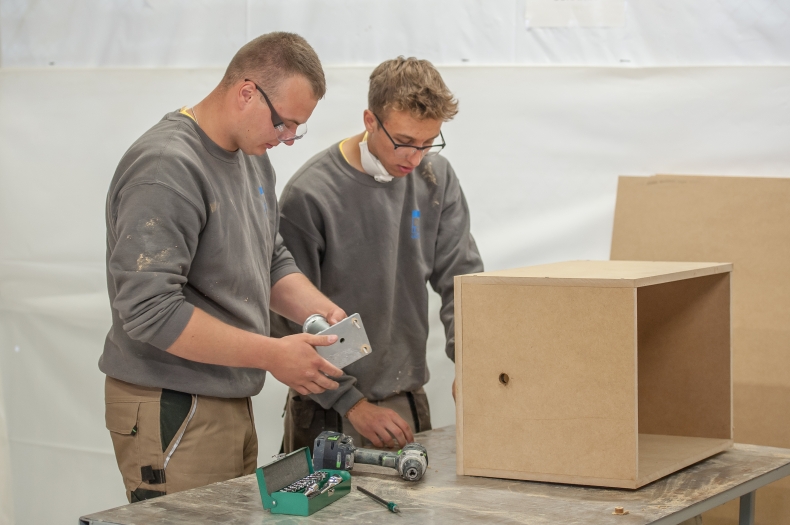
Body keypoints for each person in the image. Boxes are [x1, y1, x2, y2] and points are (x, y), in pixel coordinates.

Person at [100, 32, 348, 503]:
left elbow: (268, 256)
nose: (289, 140)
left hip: (227, 395)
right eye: (284, 124)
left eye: (298, 129)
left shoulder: (252, 159)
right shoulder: (166, 167)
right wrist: (273, 354)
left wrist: (320, 310)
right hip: (172, 403)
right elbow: (149, 309)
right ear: (247, 92)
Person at [275, 57, 484, 453]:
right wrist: (352, 405)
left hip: (407, 397)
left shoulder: (435, 177)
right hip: (328, 409)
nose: (415, 157)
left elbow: (464, 280)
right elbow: (286, 322)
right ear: (371, 120)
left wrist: (472, 364)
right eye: (404, 142)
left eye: (428, 143)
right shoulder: (311, 195)